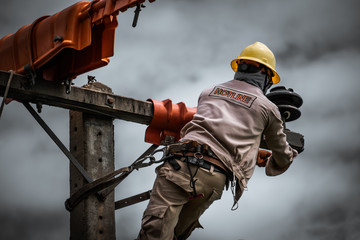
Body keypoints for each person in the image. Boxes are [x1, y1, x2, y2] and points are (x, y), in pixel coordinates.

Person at [137, 41, 298, 240]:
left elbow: (215, 130)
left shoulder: (209, 92)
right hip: (213, 179)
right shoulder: (267, 108)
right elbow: (282, 154)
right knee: (176, 234)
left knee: (155, 233)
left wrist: (253, 154)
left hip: (181, 165)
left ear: (239, 67)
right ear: (267, 76)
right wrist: (273, 160)